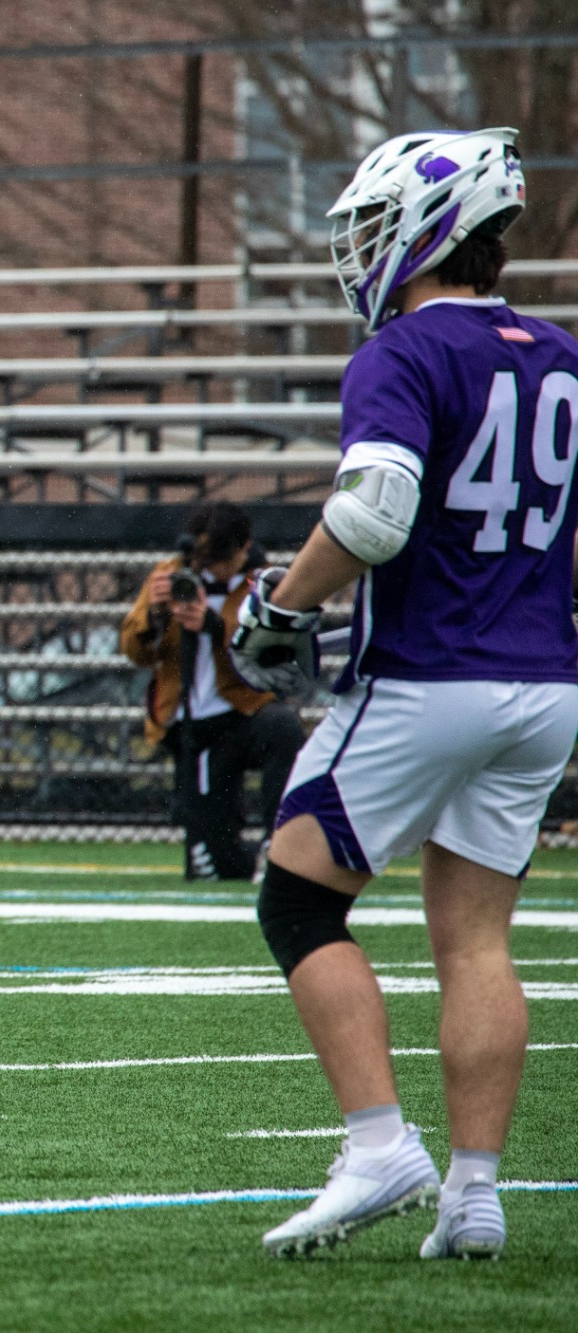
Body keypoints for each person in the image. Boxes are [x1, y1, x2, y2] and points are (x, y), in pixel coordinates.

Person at [231, 127, 562, 1261]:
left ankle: (377, 1147)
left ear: (432, 230)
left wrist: (279, 608)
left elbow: (372, 514)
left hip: (428, 672)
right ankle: (475, 1191)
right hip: (542, 682)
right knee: (475, 940)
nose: (360, 253)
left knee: (295, 900)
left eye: (374, 228)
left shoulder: (402, 353)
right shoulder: (561, 355)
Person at [120, 503, 302, 880]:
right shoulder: (170, 576)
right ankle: (242, 857)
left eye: (224, 559)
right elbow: (135, 653)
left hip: (244, 713)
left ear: (244, 547)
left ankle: (280, 844)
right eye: (208, 559)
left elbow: (272, 651)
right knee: (213, 867)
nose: (215, 569)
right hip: (192, 725)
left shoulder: (264, 582)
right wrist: (155, 615)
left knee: (283, 727)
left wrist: (214, 627)